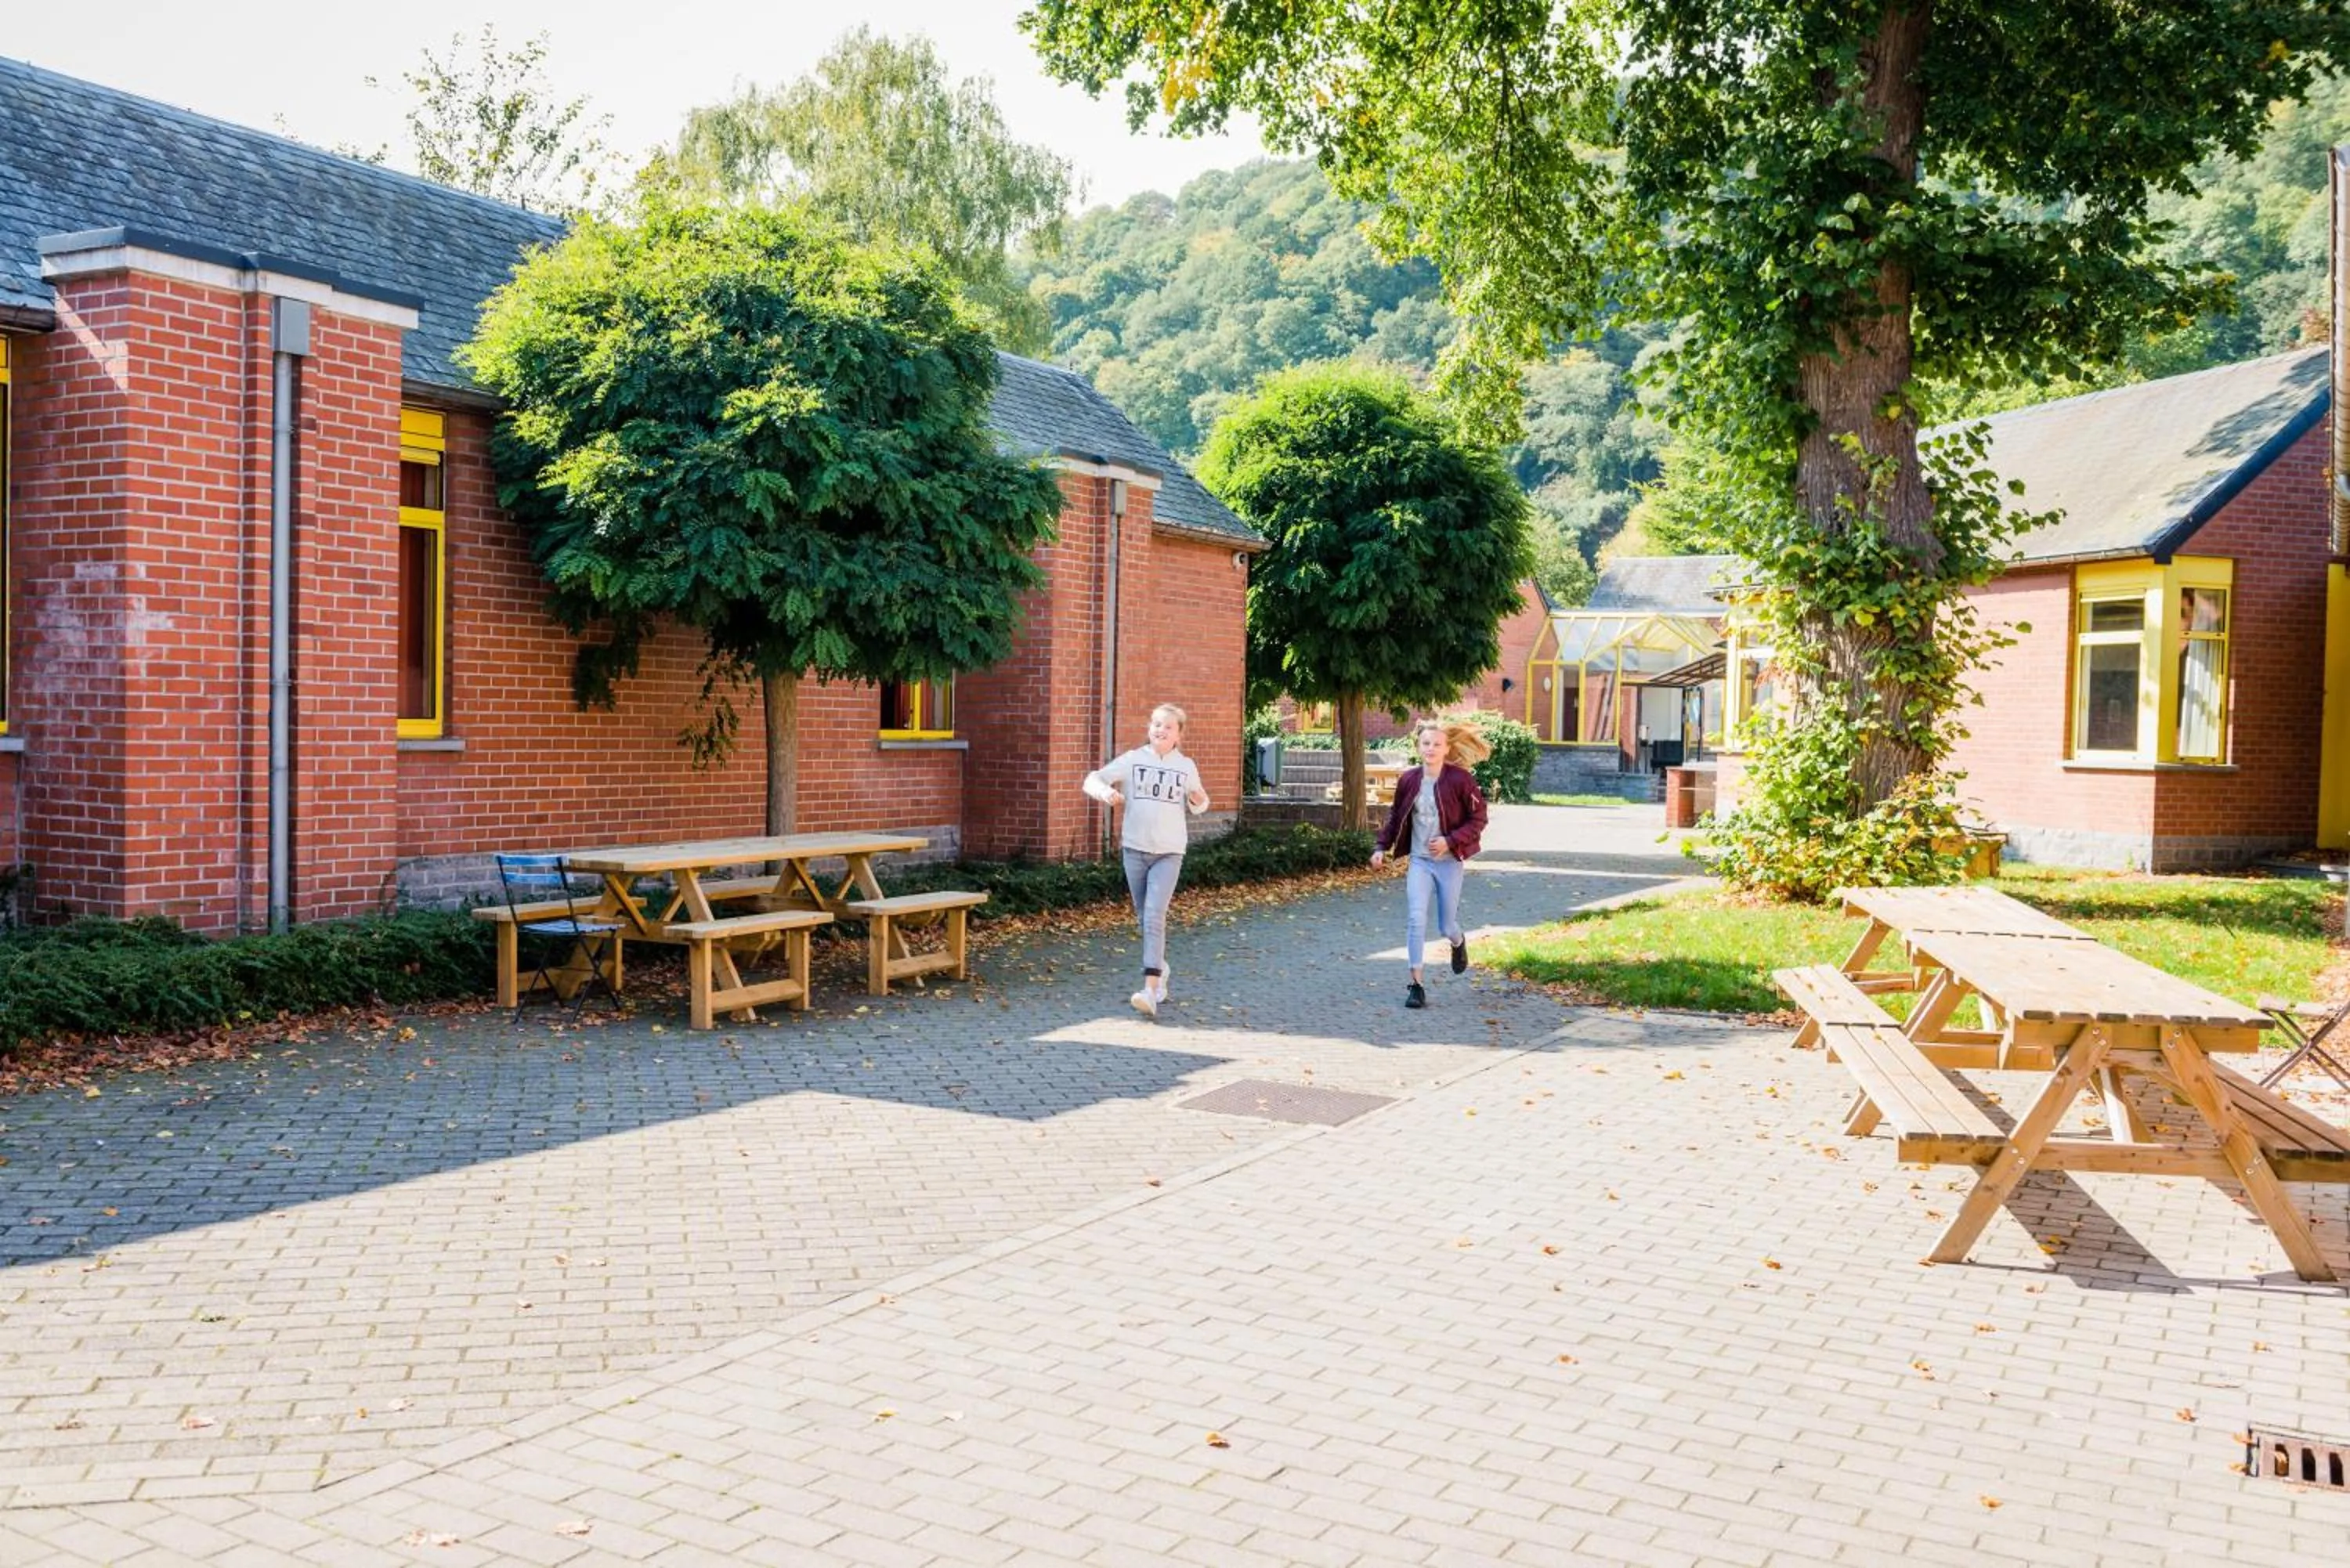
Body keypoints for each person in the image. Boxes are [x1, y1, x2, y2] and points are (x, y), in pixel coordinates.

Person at [1083, 703, 1210, 1017]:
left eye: (1168, 726)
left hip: (1169, 852)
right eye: (1155, 724)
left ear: (1179, 734)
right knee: (1145, 917)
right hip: (1135, 850)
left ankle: (1150, 990)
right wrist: (1106, 794)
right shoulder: (1132, 760)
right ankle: (1161, 968)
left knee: (1154, 915)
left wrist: (1199, 800)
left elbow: (1201, 799)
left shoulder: (1186, 766)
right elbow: (1092, 779)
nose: (1160, 730)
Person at [1370, 719, 1491, 1010]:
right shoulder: (1409, 780)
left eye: (1437, 744)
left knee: (1446, 924)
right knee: (1415, 918)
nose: (1431, 749)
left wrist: (1450, 841)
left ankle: (1458, 941)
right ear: (1418, 747)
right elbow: (1396, 816)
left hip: (1449, 863)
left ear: (1447, 748)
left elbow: (1479, 819)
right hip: (1420, 862)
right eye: (1426, 743)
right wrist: (1380, 848)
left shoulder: (1461, 780)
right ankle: (1416, 984)